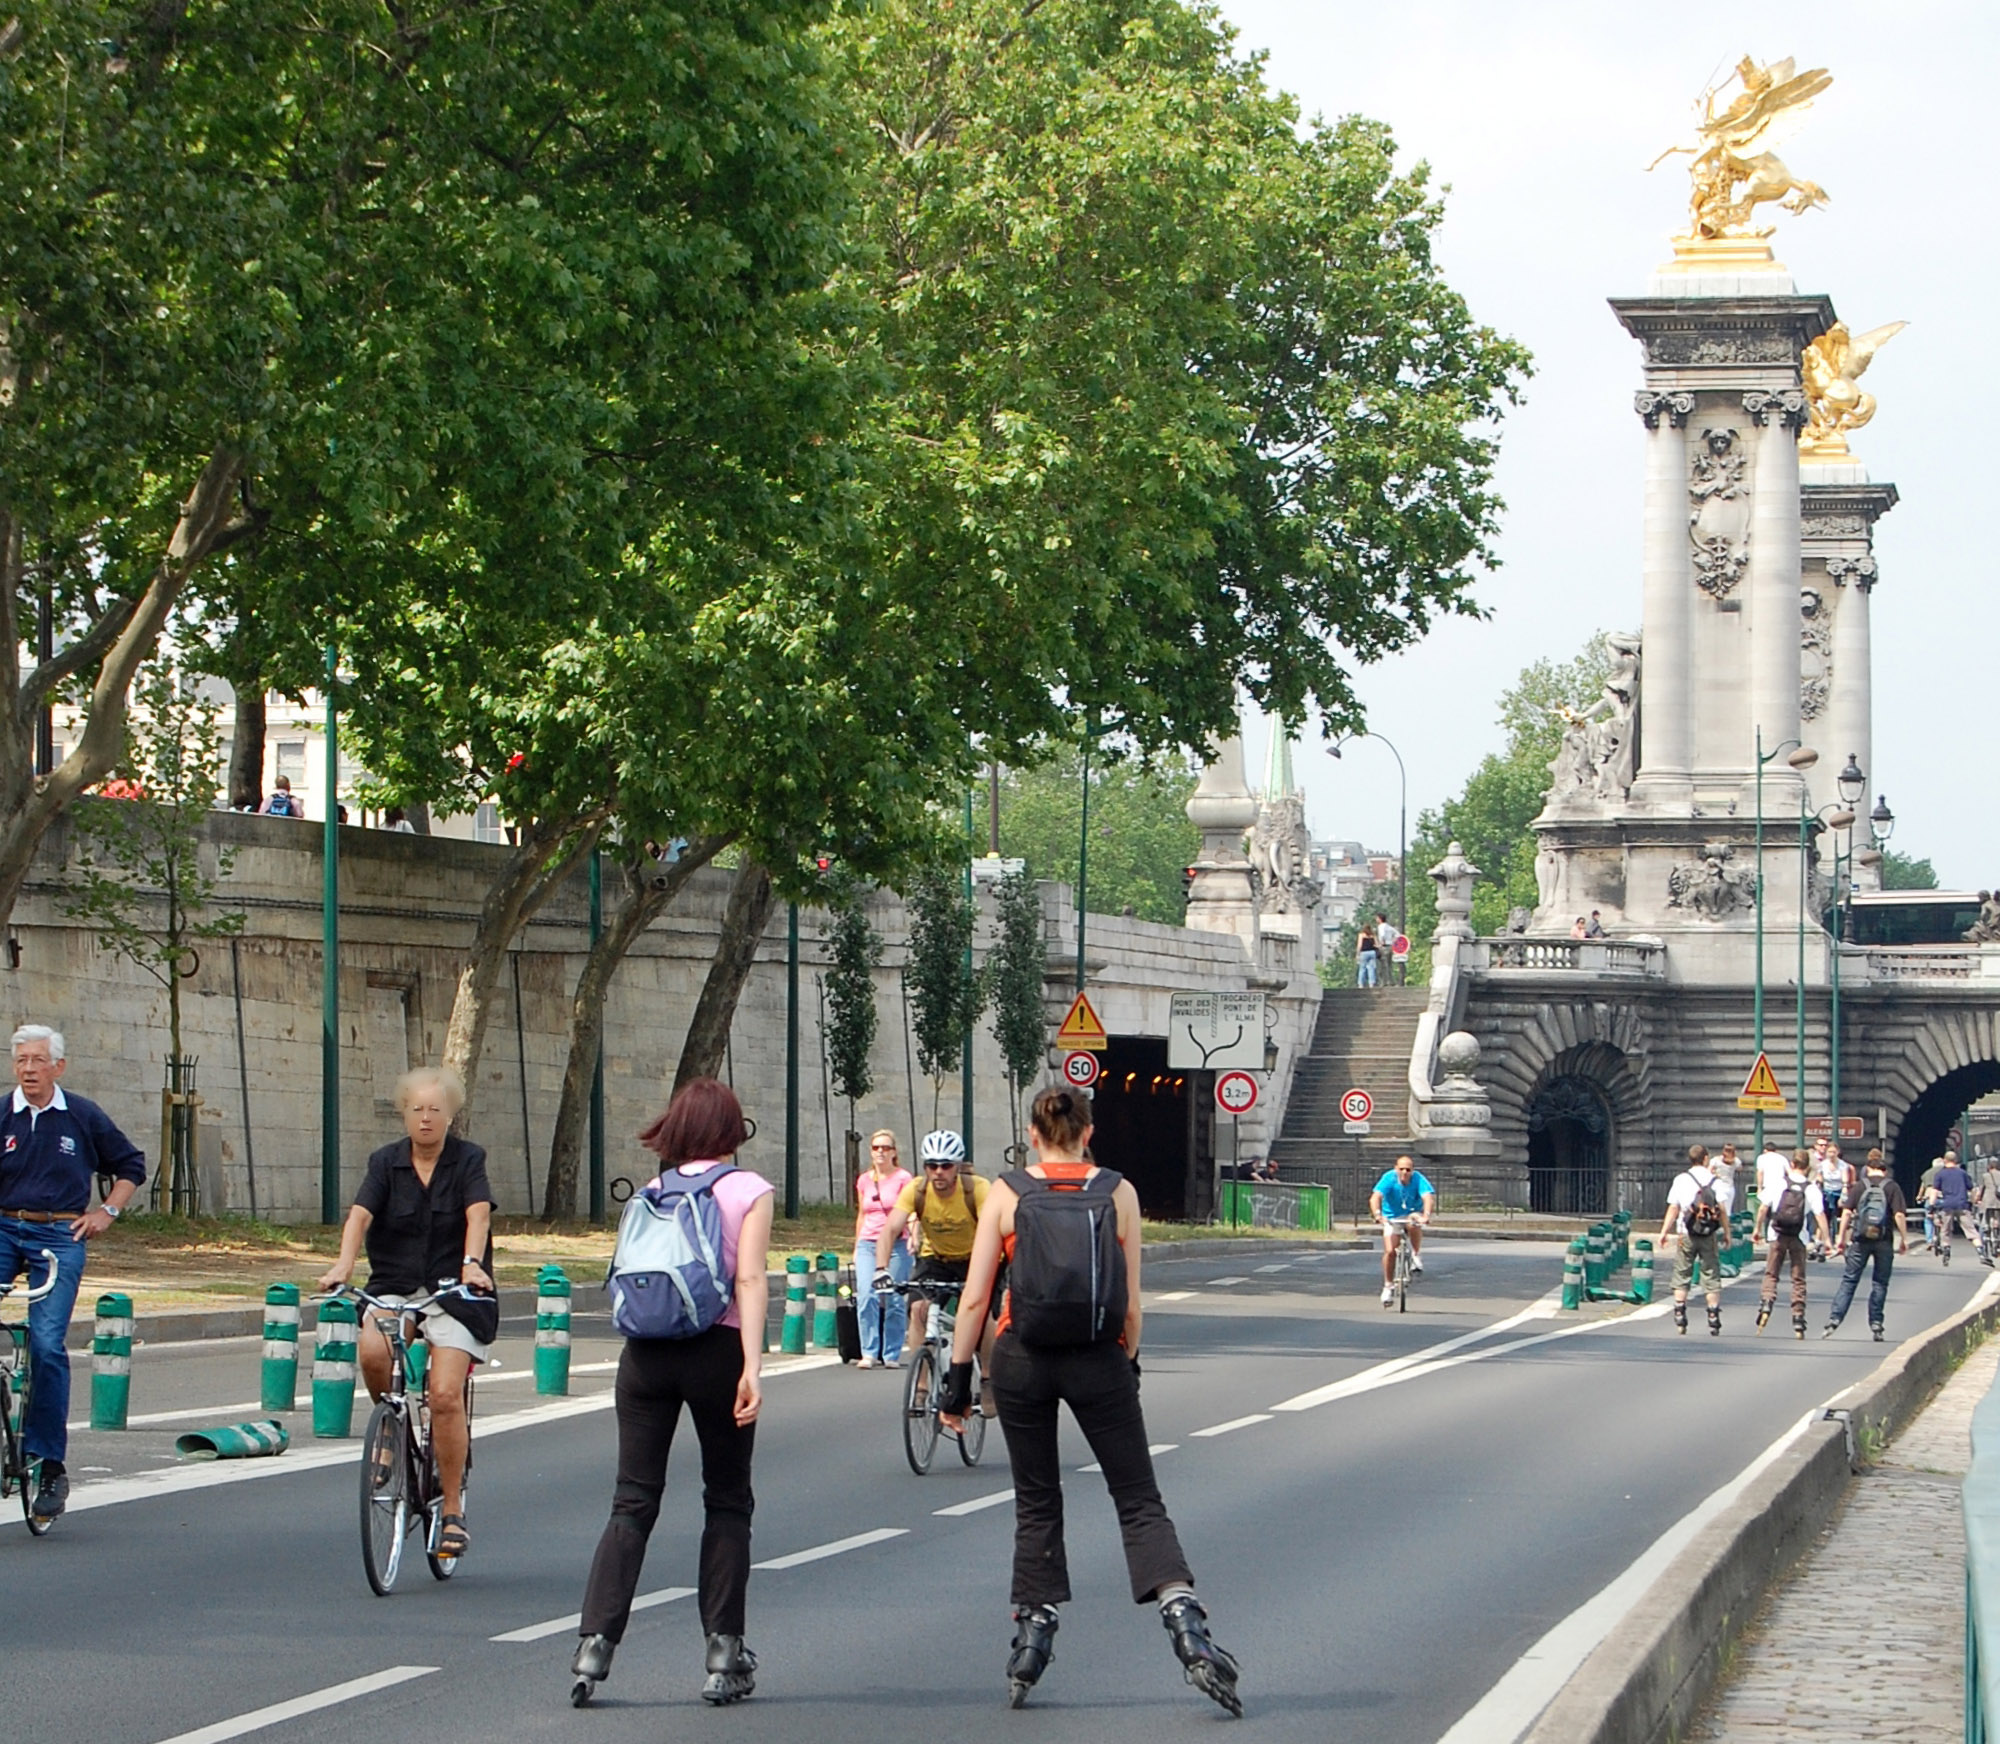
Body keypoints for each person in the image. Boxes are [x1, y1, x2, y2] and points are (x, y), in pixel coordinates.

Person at [939, 1085, 1240, 1716]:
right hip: (1098, 1357)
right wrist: (1126, 1361)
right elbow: (1131, 1301)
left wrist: (959, 1381)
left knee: (1038, 1501)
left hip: (1021, 1356)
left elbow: (973, 1299)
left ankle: (1033, 1634)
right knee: (1136, 1497)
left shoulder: (1007, 1192)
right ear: (1088, 1133)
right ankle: (1186, 1624)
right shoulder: (1118, 1193)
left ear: (1032, 1133)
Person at [572, 1077, 773, 1708]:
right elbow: (750, 1278)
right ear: (731, 1130)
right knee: (727, 1500)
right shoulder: (749, 1189)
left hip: (645, 1359)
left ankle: (593, 1647)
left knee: (631, 1501)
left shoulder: (653, 1191)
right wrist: (751, 1367)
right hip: (715, 1352)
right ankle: (723, 1652)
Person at [319, 1066, 497, 1560]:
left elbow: (477, 1214)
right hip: (395, 1285)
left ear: (450, 1115)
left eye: (435, 1110)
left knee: (443, 1394)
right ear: (404, 1113)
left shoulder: (468, 1160)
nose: (425, 1119)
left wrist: (472, 1264)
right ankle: (391, 1432)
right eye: (416, 1109)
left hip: (456, 1287)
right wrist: (343, 1264)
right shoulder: (384, 1163)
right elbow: (360, 1216)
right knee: (374, 1348)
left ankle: (455, 1509)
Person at [0, 1025, 146, 1522]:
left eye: (38, 1060)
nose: (28, 1069)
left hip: (58, 1235)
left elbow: (130, 1165)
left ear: (58, 1066)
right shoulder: (3, 1114)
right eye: (21, 1060)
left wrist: (107, 1211)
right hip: (2, 1228)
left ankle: (50, 1465)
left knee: (45, 1344)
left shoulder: (80, 1115)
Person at [875, 1130, 988, 1358]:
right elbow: (890, 1230)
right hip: (936, 1258)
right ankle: (921, 1385)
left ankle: (986, 1378)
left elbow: (992, 1233)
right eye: (932, 1165)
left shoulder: (978, 1188)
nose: (938, 1172)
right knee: (918, 1310)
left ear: (957, 1166)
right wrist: (881, 1269)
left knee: (985, 1316)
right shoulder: (917, 1189)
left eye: (946, 1166)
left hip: (975, 1258)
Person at [1823, 1149, 1909, 1341]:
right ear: (1884, 1170)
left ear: (1869, 1169)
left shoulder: (1861, 1186)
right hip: (1883, 1240)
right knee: (1880, 1283)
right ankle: (1876, 1323)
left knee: (1849, 1280)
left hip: (1860, 1239)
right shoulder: (1892, 1187)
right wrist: (1904, 1239)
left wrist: (1841, 1238)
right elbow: (1899, 1215)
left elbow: (1846, 1212)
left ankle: (1835, 1318)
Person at [852, 1130, 912, 1367]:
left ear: (894, 1152)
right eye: (876, 1147)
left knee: (895, 1298)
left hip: (896, 1243)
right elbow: (861, 1214)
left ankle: (891, 1353)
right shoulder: (865, 1180)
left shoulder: (903, 1178)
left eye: (885, 1148)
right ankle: (868, 1351)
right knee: (867, 1295)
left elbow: (910, 1210)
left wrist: (913, 1235)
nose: (880, 1152)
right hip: (868, 1243)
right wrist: (856, 1245)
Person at [1754, 1150, 1830, 1338]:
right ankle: (1798, 1317)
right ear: (1808, 1168)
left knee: (1772, 1273)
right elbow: (1820, 1215)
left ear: (1792, 1164)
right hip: (1799, 1237)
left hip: (1777, 1234)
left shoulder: (1779, 1184)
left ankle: (1766, 1302)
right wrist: (1826, 1239)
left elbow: (1763, 1207)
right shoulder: (1811, 1189)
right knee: (1798, 1279)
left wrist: (1757, 1230)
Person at [1661, 1143, 1733, 1336]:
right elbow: (1723, 1210)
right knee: (1710, 1274)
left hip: (1686, 1232)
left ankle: (1679, 1313)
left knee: (1682, 1274)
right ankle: (1713, 1315)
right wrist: (1727, 1233)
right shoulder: (1715, 1181)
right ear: (1706, 1158)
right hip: (1708, 1233)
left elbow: (1673, 1208)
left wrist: (1664, 1231)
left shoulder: (1681, 1180)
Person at [1370, 1155, 1435, 1307]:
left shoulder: (1418, 1178)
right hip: (1391, 1216)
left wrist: (1426, 1215)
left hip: (1412, 1212)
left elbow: (1427, 1197)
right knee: (1390, 1251)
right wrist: (1378, 1215)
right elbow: (1375, 1197)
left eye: (1408, 1169)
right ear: (1396, 1169)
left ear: (1412, 1170)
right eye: (1401, 1169)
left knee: (1414, 1222)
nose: (1405, 1173)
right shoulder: (1389, 1178)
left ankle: (1416, 1254)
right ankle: (1388, 1286)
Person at [1925, 1151, 1976, 1264]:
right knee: (1971, 1230)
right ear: (1956, 1160)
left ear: (1945, 1160)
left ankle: (1946, 1250)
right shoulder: (1962, 1173)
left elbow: (1934, 1191)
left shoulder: (1940, 1174)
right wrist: (1973, 1202)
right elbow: (1972, 1189)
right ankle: (1981, 1251)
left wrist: (1931, 1206)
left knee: (1945, 1230)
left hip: (1947, 1205)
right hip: (1962, 1204)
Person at [1750, 1138, 1790, 1245]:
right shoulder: (1782, 1158)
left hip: (1768, 1186)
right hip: (1781, 1186)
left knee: (1764, 1210)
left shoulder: (1762, 1158)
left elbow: (1760, 1173)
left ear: (1765, 1150)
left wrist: (1759, 1187)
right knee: (1778, 1211)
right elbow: (1789, 1173)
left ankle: (1762, 1232)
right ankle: (1777, 1233)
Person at [1356, 921, 1378, 988]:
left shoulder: (1361, 935)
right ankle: (1371, 983)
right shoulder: (1373, 935)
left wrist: (1357, 954)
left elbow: (1359, 945)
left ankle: (1361, 984)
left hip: (1364, 953)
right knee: (1371, 968)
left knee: (1362, 968)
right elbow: (1376, 944)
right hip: (1372, 952)